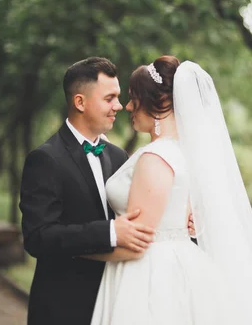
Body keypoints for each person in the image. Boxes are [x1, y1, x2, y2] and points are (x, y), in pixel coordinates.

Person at [84, 55, 252, 325]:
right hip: (174, 264)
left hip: (147, 276)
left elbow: (137, 244)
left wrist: (79, 250)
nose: (128, 106)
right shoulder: (184, 152)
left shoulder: (156, 158)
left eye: (135, 97)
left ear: (158, 102)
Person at [19, 57, 156, 325]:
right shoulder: (45, 159)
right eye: (110, 98)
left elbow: (138, 214)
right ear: (80, 102)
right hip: (64, 309)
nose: (119, 106)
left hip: (114, 303)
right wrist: (110, 232)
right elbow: (38, 237)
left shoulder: (117, 156)